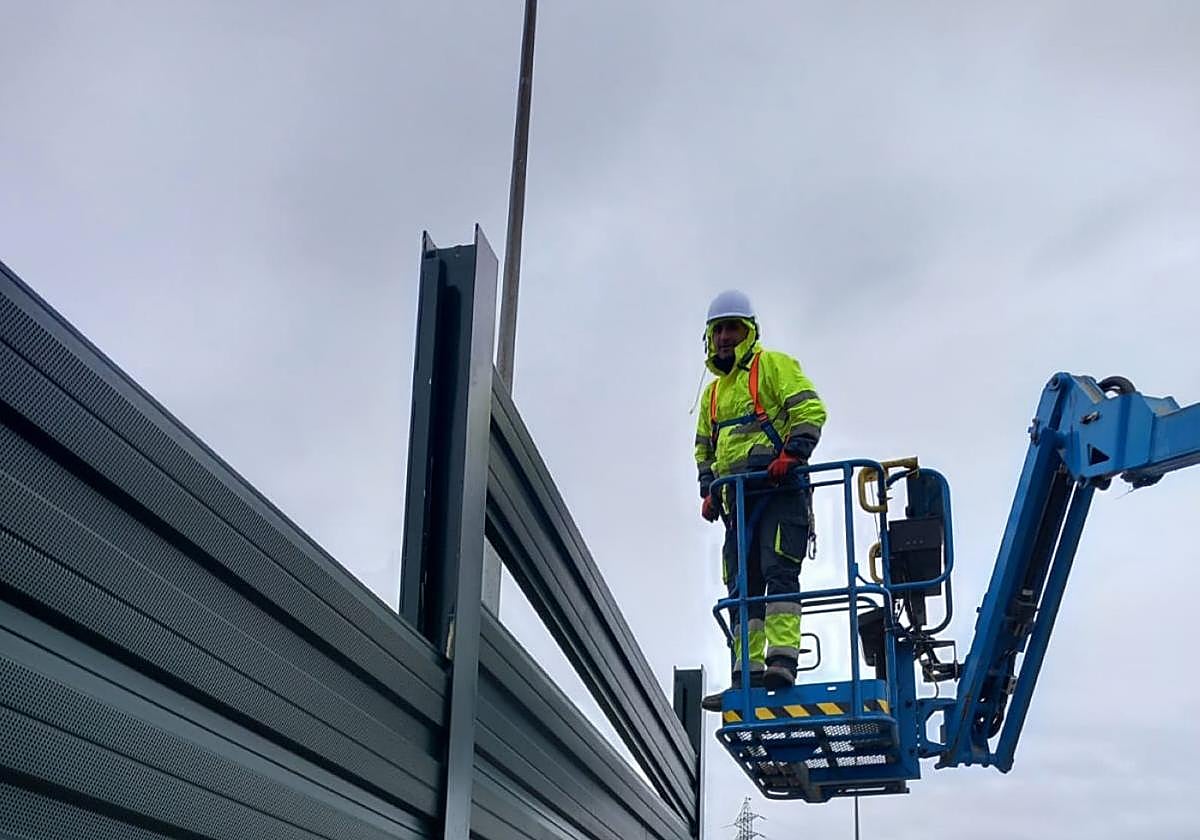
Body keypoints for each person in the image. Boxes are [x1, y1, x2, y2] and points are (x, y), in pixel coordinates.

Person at [695, 290, 827, 712]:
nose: (726, 337)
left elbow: (810, 411)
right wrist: (708, 489)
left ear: (749, 331)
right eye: (719, 330)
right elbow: (704, 447)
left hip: (780, 492)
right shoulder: (712, 395)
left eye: (733, 328)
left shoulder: (773, 366)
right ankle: (745, 673)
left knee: (778, 572)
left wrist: (793, 454)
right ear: (710, 338)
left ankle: (782, 661)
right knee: (741, 586)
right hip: (738, 503)